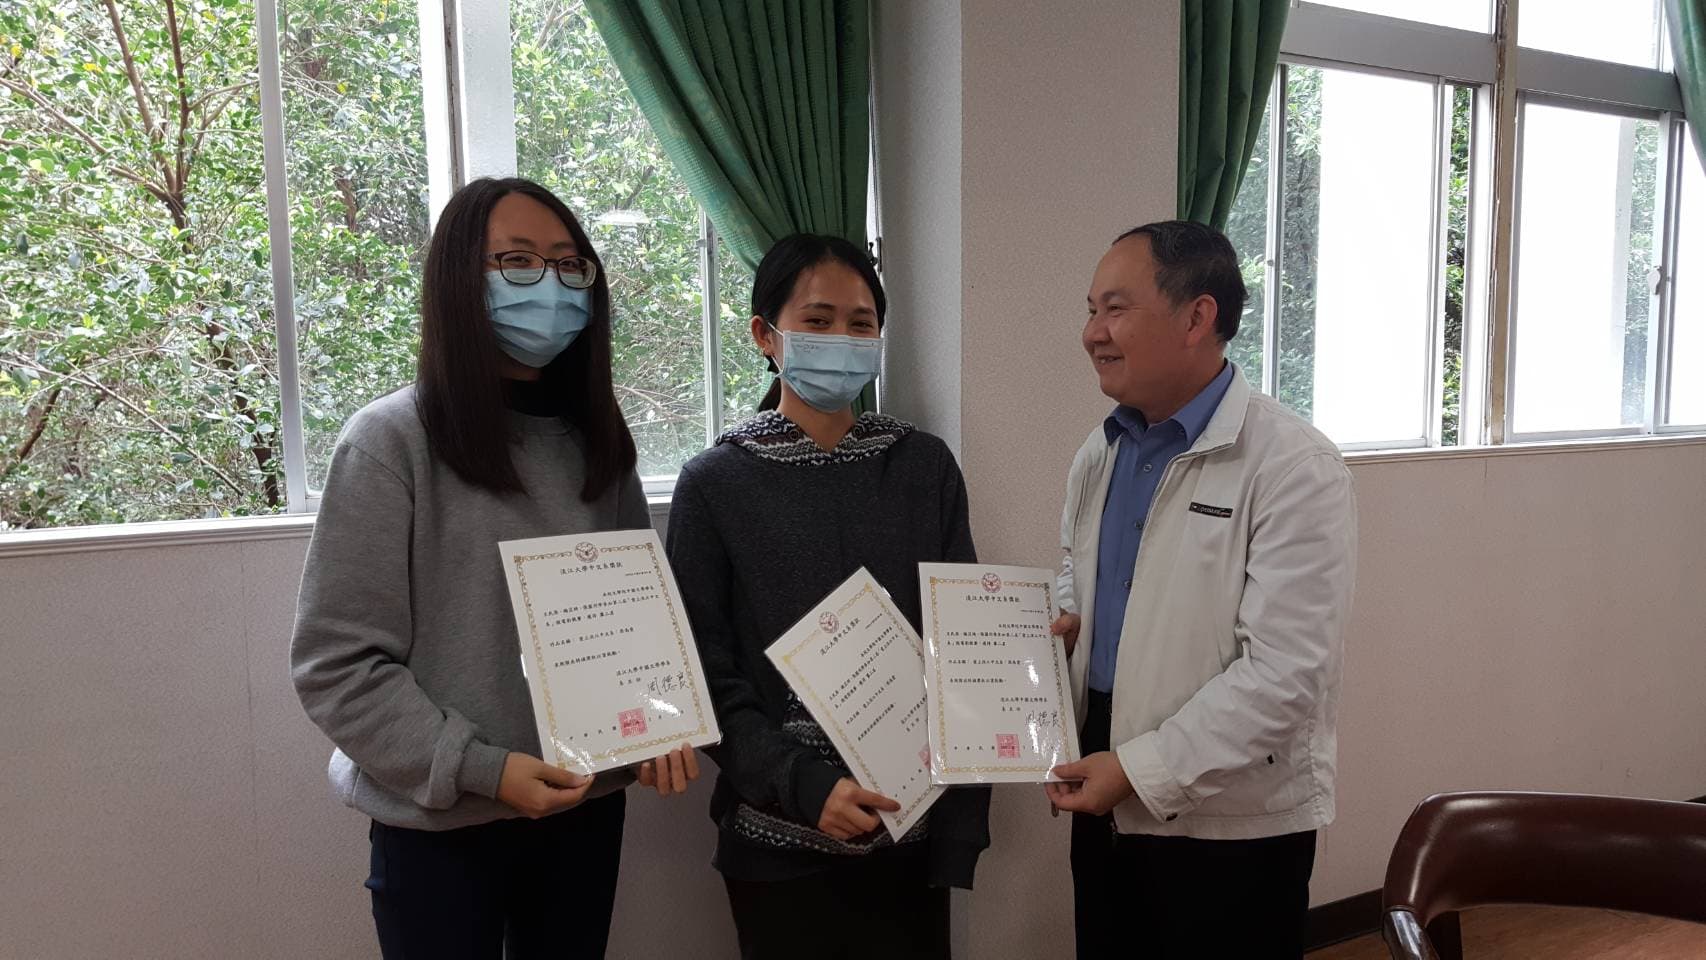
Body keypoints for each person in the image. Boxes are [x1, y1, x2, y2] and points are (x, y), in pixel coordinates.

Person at [290, 177, 699, 960]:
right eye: (516, 261)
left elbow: (633, 628)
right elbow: (337, 666)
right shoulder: (389, 442)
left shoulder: (598, 441)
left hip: (583, 812)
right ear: (457, 279)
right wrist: (482, 768)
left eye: (568, 264)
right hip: (442, 827)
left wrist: (659, 726)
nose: (549, 284)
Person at [665, 233, 991, 960]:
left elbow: (963, 642)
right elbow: (703, 671)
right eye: (817, 320)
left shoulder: (923, 466)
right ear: (765, 335)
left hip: (910, 830)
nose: (841, 338)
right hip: (776, 842)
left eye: (860, 323)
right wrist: (803, 785)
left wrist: (1020, 664)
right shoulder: (714, 482)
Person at [1045, 220, 1357, 959]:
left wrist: (1139, 771)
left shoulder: (1292, 466)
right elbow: (1076, 571)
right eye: (1090, 310)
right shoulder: (1103, 450)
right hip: (1105, 781)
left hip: (1231, 827)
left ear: (1197, 317)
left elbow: (1286, 675)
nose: (1093, 333)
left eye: (1115, 309)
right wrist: (1063, 623)